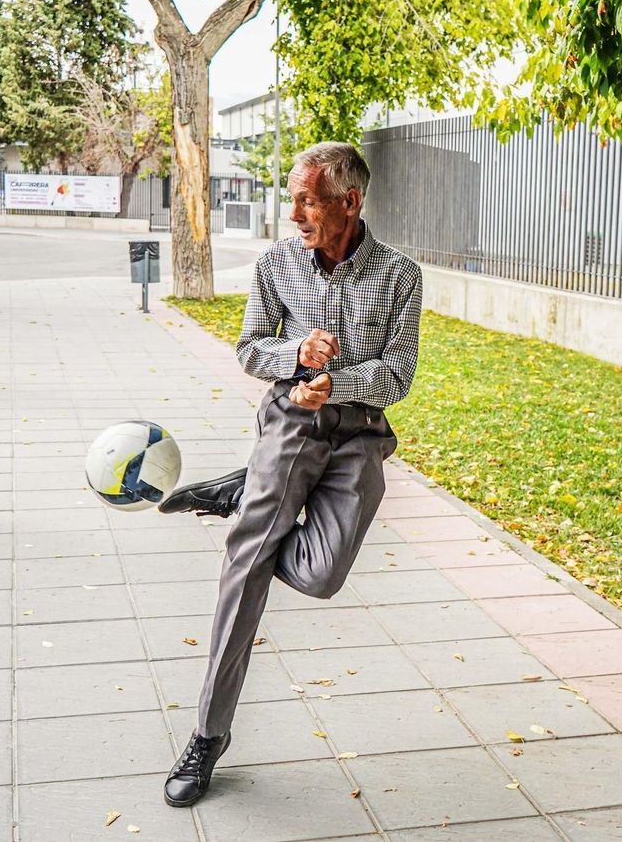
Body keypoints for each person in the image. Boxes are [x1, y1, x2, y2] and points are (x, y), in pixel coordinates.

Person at [154, 142, 423, 807]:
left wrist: (336, 384)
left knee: (322, 575)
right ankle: (207, 735)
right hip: (291, 425)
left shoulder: (401, 275)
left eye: (307, 200)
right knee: (247, 566)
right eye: (293, 199)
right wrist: (297, 356)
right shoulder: (276, 263)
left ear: (349, 202)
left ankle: (245, 491)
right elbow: (250, 349)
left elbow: (398, 374)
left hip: (359, 434)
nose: (295, 213)